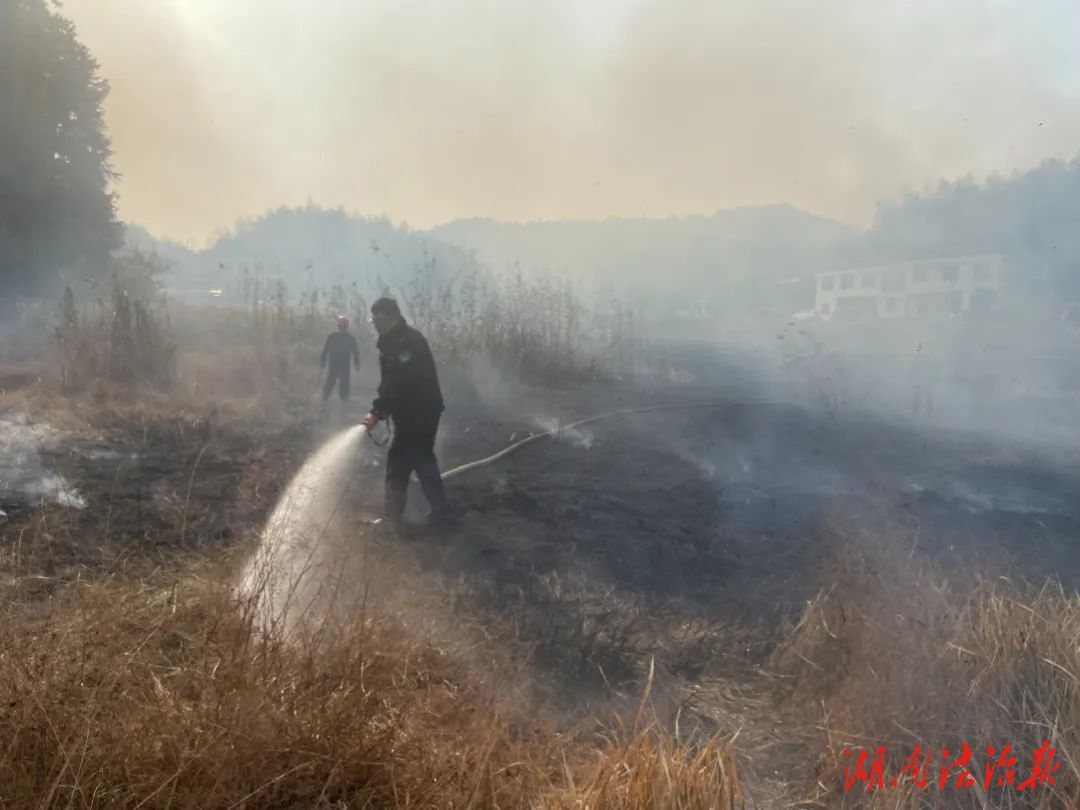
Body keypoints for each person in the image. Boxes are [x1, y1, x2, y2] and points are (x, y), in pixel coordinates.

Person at [361, 298, 451, 532]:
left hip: (420, 411)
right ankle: (441, 514)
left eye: (380, 320)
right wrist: (379, 408)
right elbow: (389, 383)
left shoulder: (408, 342)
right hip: (415, 410)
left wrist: (377, 412)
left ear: (393, 317)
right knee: (423, 461)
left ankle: (392, 521)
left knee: (398, 465)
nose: (376, 325)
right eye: (374, 321)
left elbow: (399, 382)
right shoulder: (392, 341)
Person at [321, 316, 360, 401]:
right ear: (339, 326)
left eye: (344, 326)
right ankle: (325, 397)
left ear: (346, 327)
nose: (342, 328)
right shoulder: (332, 337)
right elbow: (326, 349)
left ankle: (344, 400)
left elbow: (355, 351)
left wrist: (357, 363)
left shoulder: (350, 338)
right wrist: (323, 360)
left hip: (344, 363)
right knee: (331, 380)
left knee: (344, 381)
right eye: (341, 326)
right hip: (334, 362)